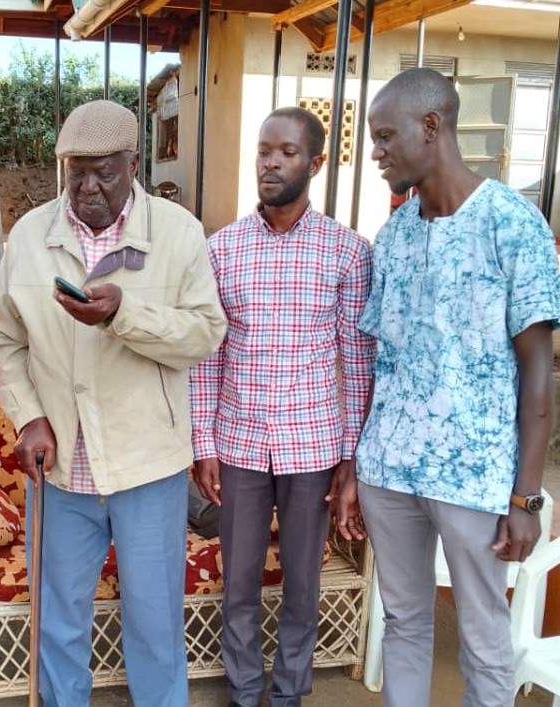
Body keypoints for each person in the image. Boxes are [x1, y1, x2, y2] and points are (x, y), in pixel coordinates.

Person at [0, 99, 227, 707]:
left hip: (147, 466)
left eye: (104, 172)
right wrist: (30, 418)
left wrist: (125, 314)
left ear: (133, 164)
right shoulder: (30, 236)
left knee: (155, 621)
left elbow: (204, 334)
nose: (88, 187)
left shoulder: (178, 232)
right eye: (77, 172)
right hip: (62, 469)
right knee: (58, 618)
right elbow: (3, 342)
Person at [353, 67, 560, 707]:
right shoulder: (393, 237)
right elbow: (382, 360)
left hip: (475, 476)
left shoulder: (511, 222)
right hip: (389, 470)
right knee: (404, 622)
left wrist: (526, 497)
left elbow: (539, 372)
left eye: (385, 136)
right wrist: (358, 465)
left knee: (483, 638)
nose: (376, 152)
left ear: (431, 126)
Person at [189, 107, 374, 707]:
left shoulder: (347, 251)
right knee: (239, 584)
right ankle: (245, 693)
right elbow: (207, 355)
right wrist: (204, 443)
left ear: (315, 164)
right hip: (238, 444)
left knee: (302, 585)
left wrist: (349, 456)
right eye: (264, 150)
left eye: (287, 153)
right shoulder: (222, 249)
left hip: (313, 447)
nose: (270, 163)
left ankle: (289, 694)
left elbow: (357, 364)